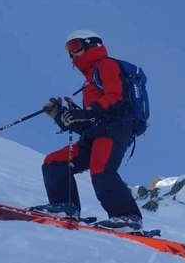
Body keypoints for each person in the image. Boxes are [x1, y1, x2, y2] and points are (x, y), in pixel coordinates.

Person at [32, 29, 143, 231]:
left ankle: (128, 217)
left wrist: (85, 113)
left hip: (114, 129)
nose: (72, 53)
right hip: (95, 134)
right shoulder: (89, 80)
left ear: (91, 44)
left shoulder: (107, 65)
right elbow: (89, 120)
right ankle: (66, 207)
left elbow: (115, 98)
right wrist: (59, 115)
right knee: (55, 162)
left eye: (74, 46)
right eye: (68, 50)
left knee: (101, 169)